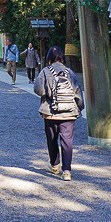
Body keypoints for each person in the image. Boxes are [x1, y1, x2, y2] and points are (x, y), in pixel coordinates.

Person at [34, 47, 84, 181]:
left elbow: (38, 90)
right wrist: (79, 107)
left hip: (50, 112)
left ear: (49, 58)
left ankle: (54, 165)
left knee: (52, 139)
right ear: (62, 58)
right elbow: (78, 92)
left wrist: (48, 92)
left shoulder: (45, 71)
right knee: (67, 141)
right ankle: (67, 171)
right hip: (69, 113)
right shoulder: (70, 72)